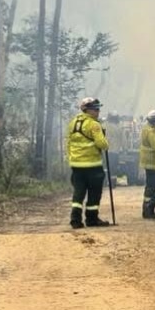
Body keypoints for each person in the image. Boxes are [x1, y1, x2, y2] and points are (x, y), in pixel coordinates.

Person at [66, 97, 112, 229]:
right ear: (87, 110)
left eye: (98, 108)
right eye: (95, 109)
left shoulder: (73, 123)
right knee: (94, 194)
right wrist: (106, 144)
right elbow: (101, 144)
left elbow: (68, 143)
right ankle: (91, 219)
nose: (98, 111)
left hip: (76, 166)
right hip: (93, 166)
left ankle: (75, 220)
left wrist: (71, 158)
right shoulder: (94, 124)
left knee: (78, 193)